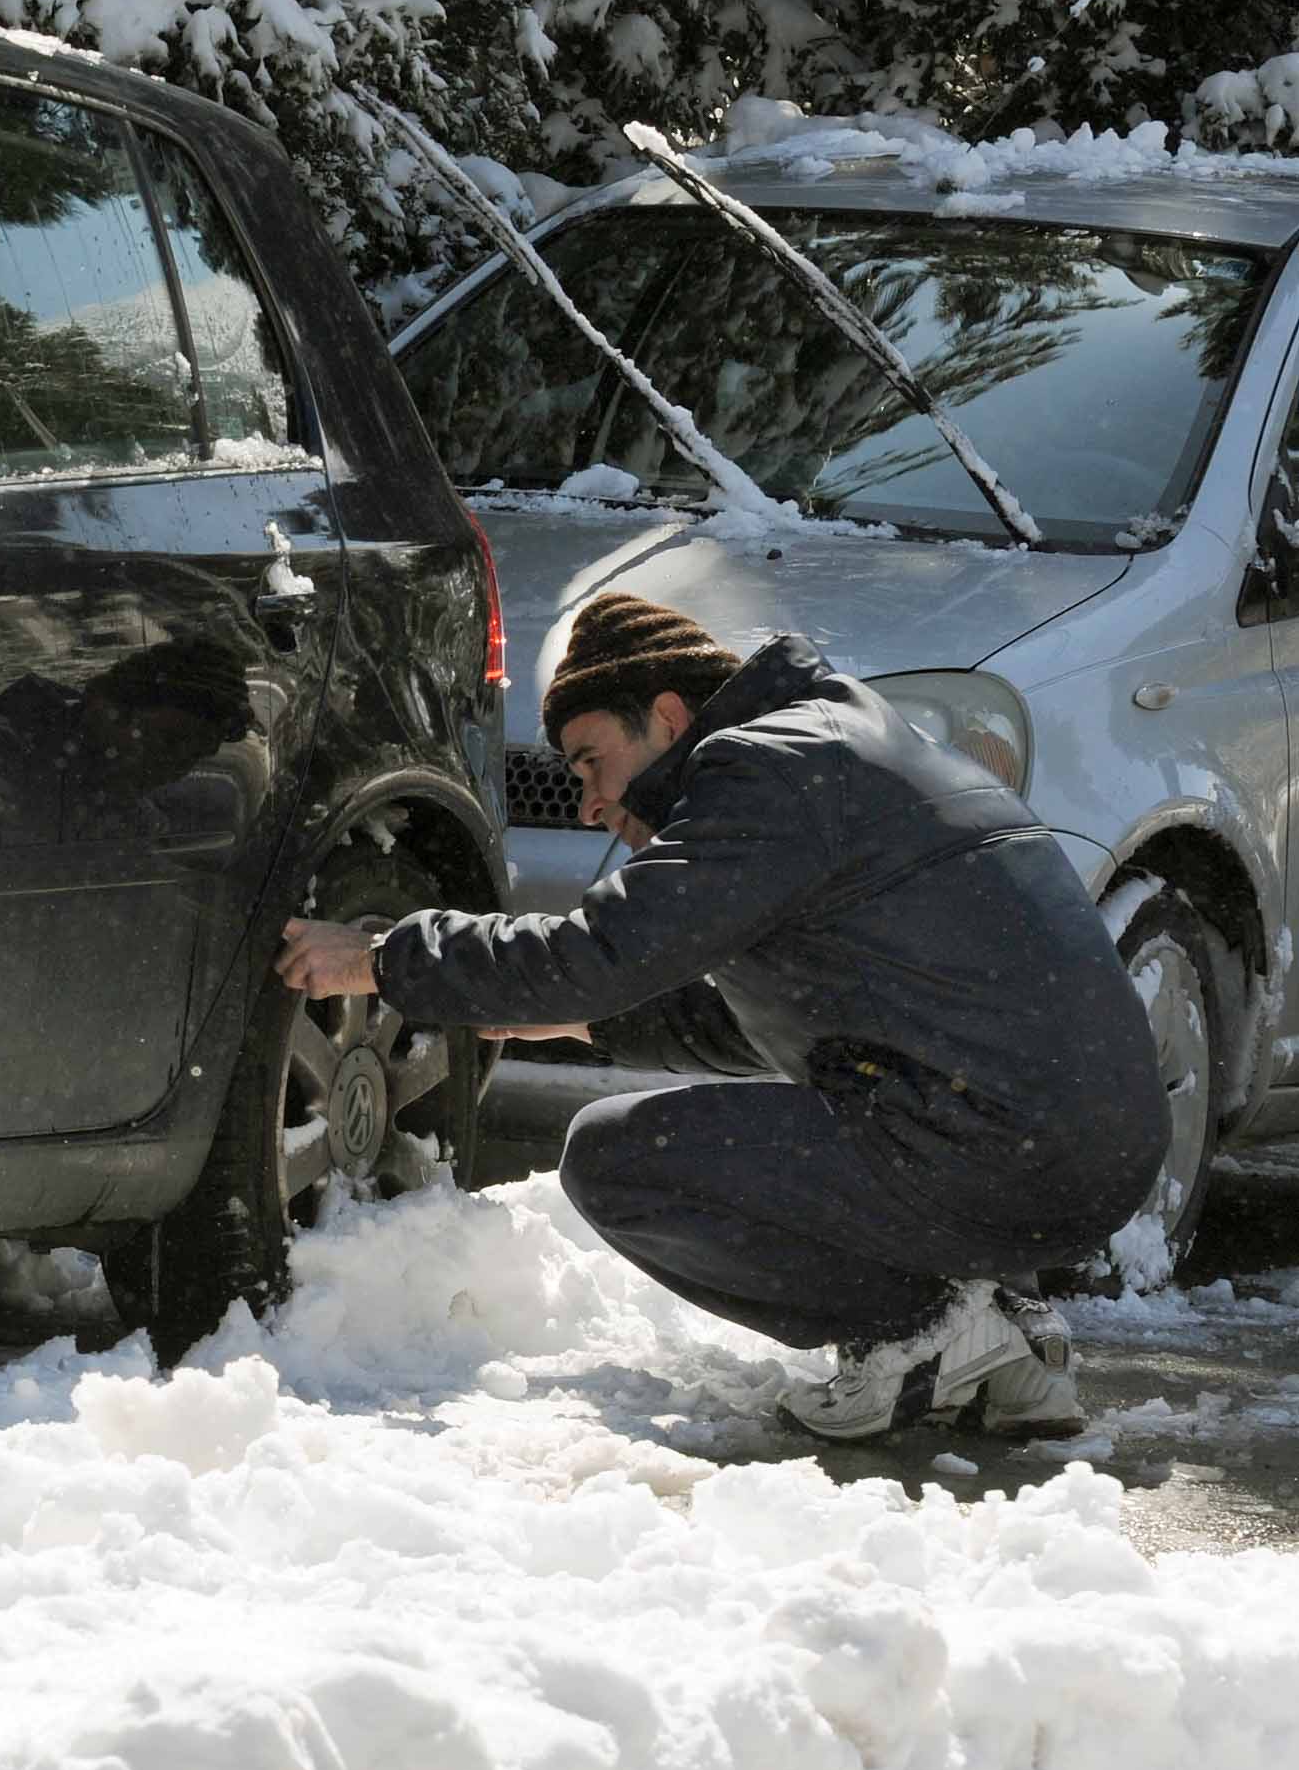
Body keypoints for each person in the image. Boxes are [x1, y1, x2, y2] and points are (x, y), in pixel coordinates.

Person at [275, 591, 1166, 1440]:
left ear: (667, 717)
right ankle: (1004, 1340)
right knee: (805, 1129)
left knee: (623, 1161)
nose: (588, 803)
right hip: (1084, 1149)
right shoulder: (836, 746)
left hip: (998, 1140)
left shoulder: (767, 766)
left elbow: (604, 948)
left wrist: (385, 957)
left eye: (592, 762)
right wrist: (593, 1024)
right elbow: (812, 1010)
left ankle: (924, 1331)